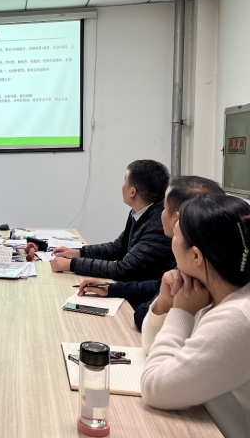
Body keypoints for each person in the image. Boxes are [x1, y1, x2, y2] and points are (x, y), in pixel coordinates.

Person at [140, 194, 250, 437]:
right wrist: (166, 303)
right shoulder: (212, 290)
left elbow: (154, 387)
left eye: (175, 235)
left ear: (196, 257)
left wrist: (181, 313)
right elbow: (151, 350)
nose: (170, 241)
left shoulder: (237, 317)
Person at [76, 176, 225, 330]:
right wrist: (113, 288)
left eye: (164, 208)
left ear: (178, 219)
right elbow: (157, 286)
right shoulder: (205, 258)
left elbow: (142, 316)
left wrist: (164, 304)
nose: (161, 213)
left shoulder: (192, 267)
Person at [51, 159, 174, 282]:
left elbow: (124, 269)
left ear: (132, 192)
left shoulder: (159, 224)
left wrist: (72, 264)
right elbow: (118, 247)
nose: (122, 186)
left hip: (141, 292)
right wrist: (78, 253)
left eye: (125, 181)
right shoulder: (140, 212)